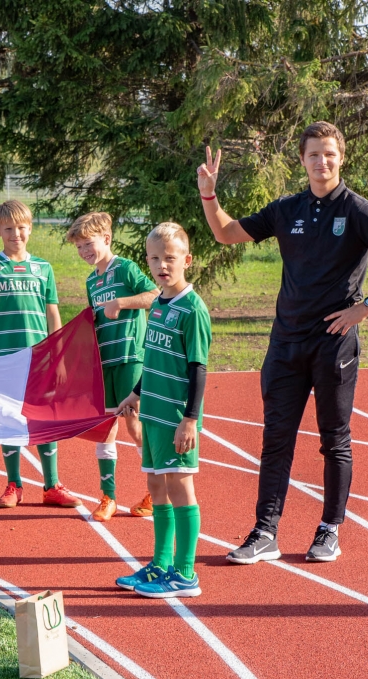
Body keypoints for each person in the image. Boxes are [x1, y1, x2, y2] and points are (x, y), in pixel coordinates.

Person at [196, 121, 368, 564]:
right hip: (285, 345)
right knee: (275, 440)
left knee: (333, 440)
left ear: (342, 158)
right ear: (302, 160)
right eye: (314, 154)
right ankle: (265, 532)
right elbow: (225, 233)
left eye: (330, 154)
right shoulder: (286, 209)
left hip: (333, 345)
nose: (323, 162)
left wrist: (366, 308)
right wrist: (209, 194)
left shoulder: (358, 210)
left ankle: (328, 530)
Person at [115, 222, 211, 598]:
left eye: (169, 258)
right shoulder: (157, 302)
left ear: (186, 260)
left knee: (180, 486)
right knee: (156, 486)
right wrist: (136, 393)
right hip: (152, 413)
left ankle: (185, 573)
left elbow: (198, 368)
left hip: (175, 417)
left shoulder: (192, 309)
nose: (161, 265)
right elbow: (152, 358)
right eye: (154, 258)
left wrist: (190, 420)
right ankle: (160, 564)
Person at [0, 200, 80, 509]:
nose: (16, 234)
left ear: (30, 228)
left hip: (39, 357)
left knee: (44, 417)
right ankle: (13, 484)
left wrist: (57, 354)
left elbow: (52, 313)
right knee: (7, 419)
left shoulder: (43, 267)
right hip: (4, 358)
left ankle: (52, 485)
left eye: (21, 227)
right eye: (8, 229)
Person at [66, 212, 159, 521]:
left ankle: (156, 491)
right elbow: (99, 316)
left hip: (131, 357)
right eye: (79, 247)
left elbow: (155, 295)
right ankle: (108, 497)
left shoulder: (125, 268)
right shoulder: (91, 280)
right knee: (105, 428)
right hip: (104, 363)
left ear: (106, 239)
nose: (84, 252)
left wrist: (122, 303)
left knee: (134, 425)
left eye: (88, 244)